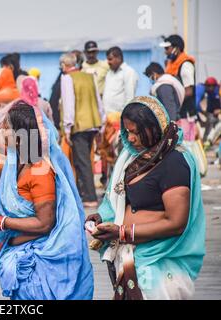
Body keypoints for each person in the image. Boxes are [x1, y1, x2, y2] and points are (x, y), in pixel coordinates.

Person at [0, 97, 94, 300]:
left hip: (40, 265)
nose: (0, 131)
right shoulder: (18, 155)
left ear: (20, 137)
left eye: (6, 128)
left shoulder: (40, 171)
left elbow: (44, 223)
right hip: (21, 254)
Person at [86, 96, 205, 300]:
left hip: (159, 261)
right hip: (132, 257)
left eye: (137, 132)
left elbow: (176, 223)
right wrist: (102, 217)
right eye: (128, 132)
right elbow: (119, 199)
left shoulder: (174, 161)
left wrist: (123, 233)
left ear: (155, 127)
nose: (131, 138)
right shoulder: (131, 158)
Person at [60, 52, 104, 208]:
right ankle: (86, 193)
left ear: (64, 65)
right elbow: (99, 101)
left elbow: (68, 104)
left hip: (78, 125)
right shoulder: (89, 76)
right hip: (93, 123)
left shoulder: (66, 78)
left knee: (82, 162)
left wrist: (67, 127)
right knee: (85, 160)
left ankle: (90, 197)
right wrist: (101, 125)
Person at [100, 47, 138, 185]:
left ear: (118, 58)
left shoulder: (128, 73)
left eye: (110, 59)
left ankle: (122, 186)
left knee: (121, 155)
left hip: (121, 122)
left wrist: (126, 123)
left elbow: (130, 98)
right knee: (109, 156)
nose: (108, 62)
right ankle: (111, 186)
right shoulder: (110, 73)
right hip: (108, 121)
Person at [161, 35, 197, 123]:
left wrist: (171, 101)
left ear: (176, 48)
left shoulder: (186, 65)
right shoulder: (170, 65)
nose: (165, 52)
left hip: (185, 115)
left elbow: (189, 91)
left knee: (185, 137)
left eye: (167, 48)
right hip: (176, 114)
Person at [196, 77, 220, 143]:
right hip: (210, 114)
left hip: (216, 115)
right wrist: (202, 112)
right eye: (208, 86)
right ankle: (205, 142)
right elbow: (196, 104)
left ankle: (209, 142)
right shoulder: (203, 90)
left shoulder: (217, 91)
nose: (209, 88)